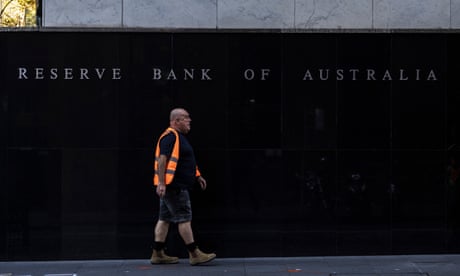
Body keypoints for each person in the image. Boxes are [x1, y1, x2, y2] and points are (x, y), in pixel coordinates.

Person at [150, 108, 216, 265]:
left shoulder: (178, 137)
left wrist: (197, 175)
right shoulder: (170, 137)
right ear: (175, 121)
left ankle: (157, 253)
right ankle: (194, 254)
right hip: (175, 187)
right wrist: (161, 183)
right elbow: (162, 159)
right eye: (186, 118)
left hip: (172, 186)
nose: (189, 120)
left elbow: (185, 161)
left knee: (164, 219)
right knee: (184, 219)